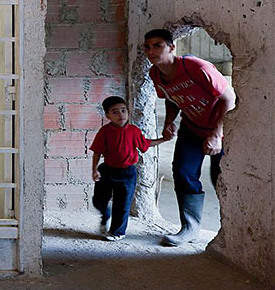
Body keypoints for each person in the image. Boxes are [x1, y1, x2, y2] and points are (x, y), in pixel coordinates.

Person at [144, 28, 236, 246]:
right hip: (192, 127)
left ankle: (233, 231)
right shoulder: (155, 74)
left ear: (172, 47)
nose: (151, 51)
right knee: (183, 171)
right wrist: (169, 122)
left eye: (157, 46)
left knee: (221, 177)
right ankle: (190, 228)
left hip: (221, 129)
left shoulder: (196, 67)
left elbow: (229, 98)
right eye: (147, 47)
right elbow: (171, 98)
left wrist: (217, 133)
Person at [91, 96, 165, 241]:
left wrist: (164, 139)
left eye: (123, 110)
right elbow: (97, 151)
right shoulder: (105, 132)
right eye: (115, 112)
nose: (121, 114)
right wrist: (94, 170)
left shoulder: (134, 131)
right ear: (108, 116)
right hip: (107, 170)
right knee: (99, 200)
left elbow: (145, 144)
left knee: (122, 204)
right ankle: (105, 214)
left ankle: (117, 232)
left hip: (127, 173)